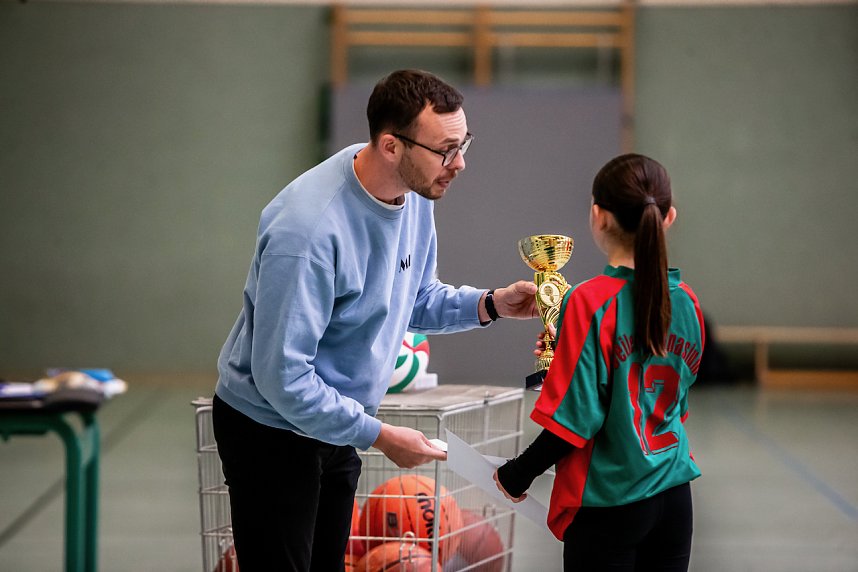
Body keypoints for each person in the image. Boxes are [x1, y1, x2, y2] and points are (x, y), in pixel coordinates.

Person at [212, 69, 538, 571]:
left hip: (334, 421)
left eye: (463, 143)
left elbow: (414, 296)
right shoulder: (309, 233)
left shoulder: (413, 195)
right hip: (270, 433)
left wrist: (490, 304)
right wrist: (378, 434)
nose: (461, 163)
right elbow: (282, 377)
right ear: (391, 146)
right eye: (446, 149)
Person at [493, 153, 705, 571]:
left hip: (611, 500)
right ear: (669, 217)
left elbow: (577, 419)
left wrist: (518, 472)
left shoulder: (589, 301)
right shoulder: (688, 302)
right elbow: (662, 397)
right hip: (674, 494)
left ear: (598, 215)